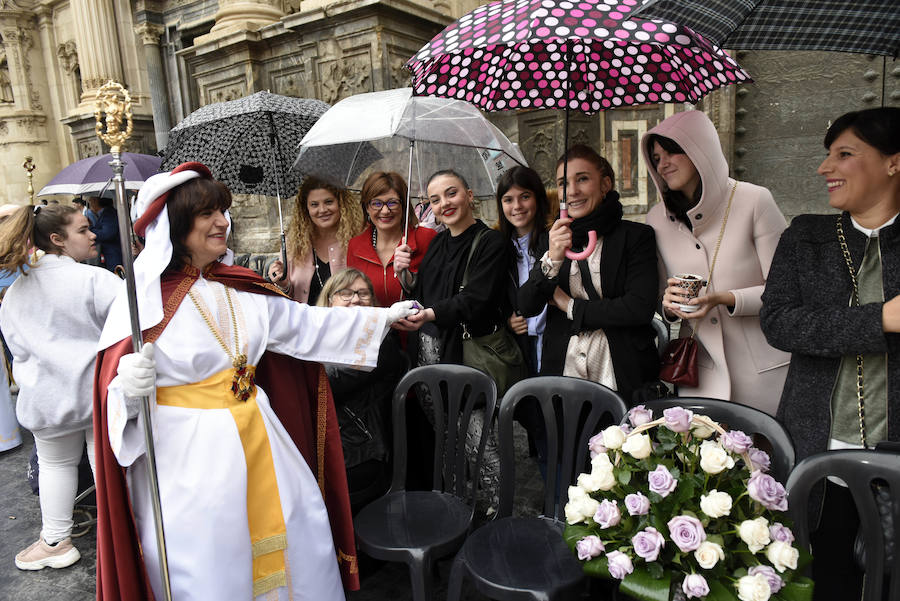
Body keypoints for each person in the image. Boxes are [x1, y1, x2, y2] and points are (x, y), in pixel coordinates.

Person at [92, 163, 418, 601]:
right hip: (188, 459)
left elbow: (309, 326)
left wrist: (382, 317)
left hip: (262, 439)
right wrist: (126, 390)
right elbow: (113, 409)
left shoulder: (241, 289)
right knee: (212, 559)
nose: (223, 222)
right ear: (176, 224)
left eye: (223, 211)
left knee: (298, 528)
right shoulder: (141, 303)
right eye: (208, 213)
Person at [760, 107, 900, 601]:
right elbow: (779, 322)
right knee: (825, 576)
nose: (824, 168)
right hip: (818, 449)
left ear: (893, 162)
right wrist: (879, 321)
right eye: (827, 155)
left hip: (895, 458)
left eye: (845, 154)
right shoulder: (806, 237)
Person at [641, 110, 790, 415]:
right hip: (699, 373)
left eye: (673, 151)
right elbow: (660, 297)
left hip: (763, 372)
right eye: (656, 158)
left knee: (768, 458)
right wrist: (669, 306)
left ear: (701, 148)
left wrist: (726, 298)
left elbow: (786, 289)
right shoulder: (656, 218)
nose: (663, 163)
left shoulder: (754, 200)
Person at [0, 204, 120, 569]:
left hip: (47, 399)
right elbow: (130, 332)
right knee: (105, 462)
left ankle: (55, 540)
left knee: (55, 465)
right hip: (95, 395)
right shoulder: (94, 280)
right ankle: (122, 534)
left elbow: (16, 348)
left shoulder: (16, 292)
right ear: (58, 239)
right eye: (83, 230)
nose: (93, 234)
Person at [395, 169, 516, 511]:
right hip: (429, 360)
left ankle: (498, 513)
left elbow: (476, 300)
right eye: (435, 199)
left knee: (482, 445)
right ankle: (461, 507)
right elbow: (424, 294)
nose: (444, 204)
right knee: (448, 441)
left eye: (451, 193)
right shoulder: (436, 244)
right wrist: (406, 275)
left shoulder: (491, 242)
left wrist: (430, 314)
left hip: (466, 358)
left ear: (469, 193)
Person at [518, 145, 659, 404]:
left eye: (582, 179)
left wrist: (568, 305)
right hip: (564, 373)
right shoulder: (550, 240)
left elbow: (638, 309)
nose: (572, 191)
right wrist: (552, 258)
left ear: (605, 184)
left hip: (623, 371)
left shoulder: (636, 238)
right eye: (563, 183)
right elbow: (526, 305)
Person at [317, 268, 407, 511]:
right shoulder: (319, 338)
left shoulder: (381, 342)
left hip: (361, 452)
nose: (355, 299)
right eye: (345, 293)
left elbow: (329, 382)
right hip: (325, 446)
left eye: (363, 294)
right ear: (329, 301)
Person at [267, 177, 363, 305]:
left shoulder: (357, 239)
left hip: (347, 322)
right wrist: (283, 284)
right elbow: (287, 301)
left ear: (341, 203)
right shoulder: (293, 244)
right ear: (306, 208)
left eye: (329, 202)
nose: (322, 210)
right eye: (314, 204)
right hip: (305, 323)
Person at [347, 171, 436, 307]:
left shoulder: (427, 238)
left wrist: (408, 278)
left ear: (404, 205)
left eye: (392, 203)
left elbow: (437, 293)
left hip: (415, 325)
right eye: (376, 203)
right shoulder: (355, 246)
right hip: (373, 327)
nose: (385, 211)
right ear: (367, 208)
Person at [86, 195, 123, 272]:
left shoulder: (109, 213)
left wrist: (91, 228)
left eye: (91, 201)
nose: (90, 204)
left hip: (113, 255)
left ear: (96, 201)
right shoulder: (104, 214)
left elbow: (107, 234)